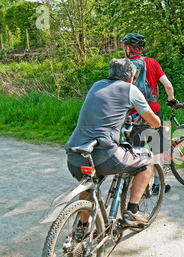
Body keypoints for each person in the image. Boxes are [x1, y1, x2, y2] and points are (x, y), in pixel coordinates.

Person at [65, 58, 161, 227]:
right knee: (148, 158)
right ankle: (132, 211)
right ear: (131, 77)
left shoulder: (96, 85)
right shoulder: (130, 89)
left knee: (89, 184)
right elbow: (154, 122)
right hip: (105, 156)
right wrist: (157, 123)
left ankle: (81, 230)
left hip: (75, 155)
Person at [120, 33, 184, 193]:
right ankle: (158, 184)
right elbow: (168, 85)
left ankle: (138, 189)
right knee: (158, 148)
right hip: (153, 113)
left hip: (133, 116)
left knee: (135, 151)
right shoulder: (153, 63)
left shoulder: (122, 66)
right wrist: (171, 100)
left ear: (128, 48)